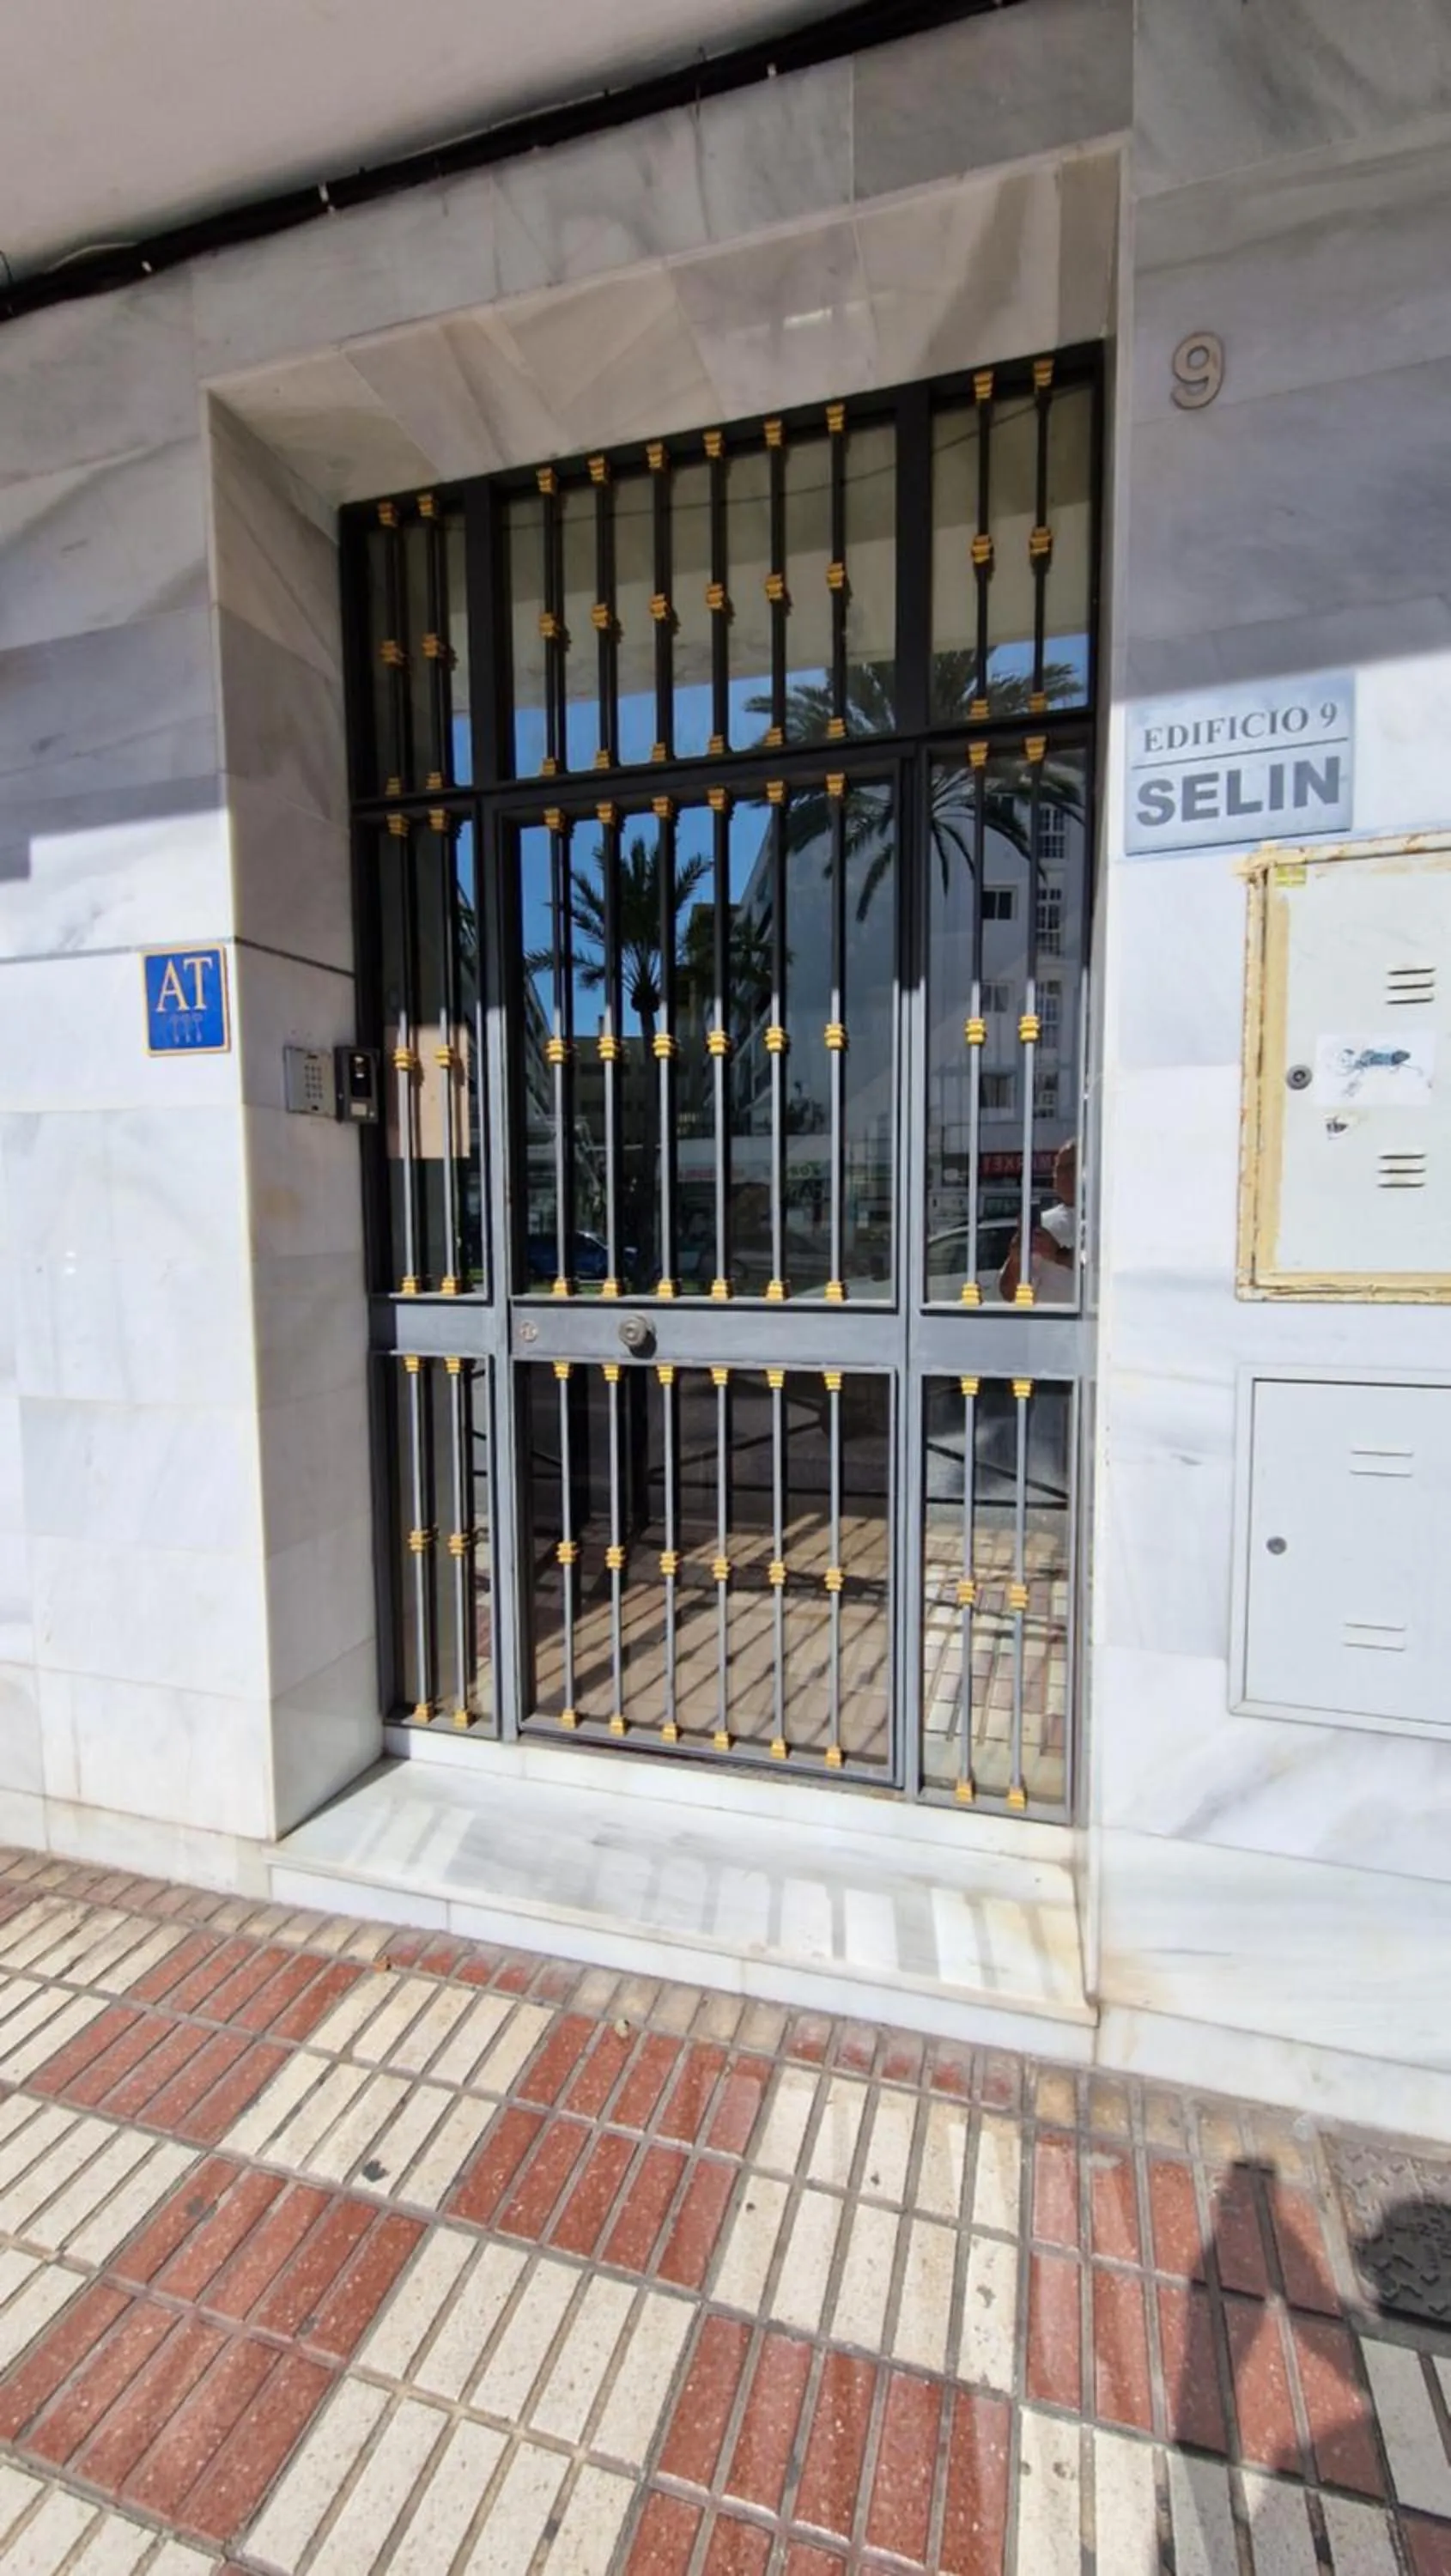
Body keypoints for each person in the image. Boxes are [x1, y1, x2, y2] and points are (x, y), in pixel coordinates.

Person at [999, 1139, 1077, 1303]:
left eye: (1071, 1167)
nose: (1063, 1175)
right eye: (1058, 1170)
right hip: (1046, 1326)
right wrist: (1016, 1261)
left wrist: (1058, 1254)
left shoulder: (1106, 1222)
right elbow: (1008, 1293)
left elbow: (1100, 1272)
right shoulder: (1043, 1223)